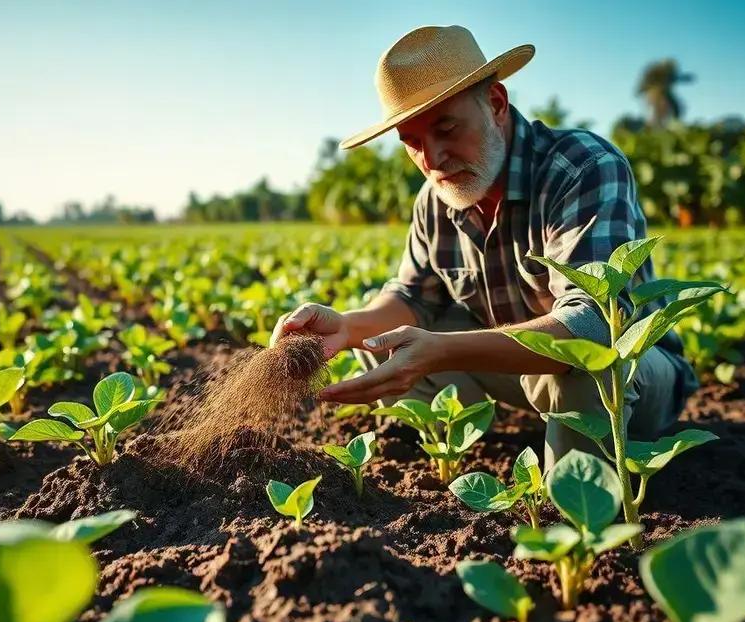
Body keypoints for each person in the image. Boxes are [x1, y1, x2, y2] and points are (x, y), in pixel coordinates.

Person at [270, 25, 696, 470]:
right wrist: (347, 325)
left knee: (594, 363)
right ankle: (471, 442)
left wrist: (443, 349)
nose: (432, 160)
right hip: (524, 376)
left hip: (634, 380)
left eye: (447, 128)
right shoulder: (437, 199)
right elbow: (413, 298)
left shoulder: (582, 167)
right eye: (413, 143)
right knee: (377, 341)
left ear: (495, 104)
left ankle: (575, 518)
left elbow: (592, 324)